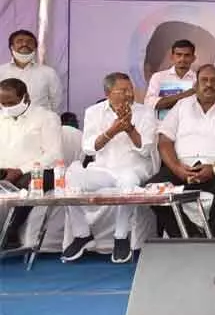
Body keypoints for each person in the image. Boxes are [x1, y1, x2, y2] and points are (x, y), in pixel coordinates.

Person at [147, 65, 215, 238]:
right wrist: (176, 168)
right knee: (152, 191)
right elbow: (165, 140)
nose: (209, 84)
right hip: (183, 167)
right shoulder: (182, 106)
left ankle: (210, 234)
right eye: (204, 80)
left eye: (214, 81)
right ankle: (189, 235)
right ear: (196, 84)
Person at [62, 73, 157, 263]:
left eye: (130, 90)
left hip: (133, 167)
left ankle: (120, 237)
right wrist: (112, 131)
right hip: (103, 169)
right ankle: (82, 234)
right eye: (123, 91)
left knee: (128, 180)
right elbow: (88, 148)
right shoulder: (93, 112)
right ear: (108, 93)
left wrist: (129, 128)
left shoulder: (145, 112)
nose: (129, 94)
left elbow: (145, 150)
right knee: (71, 176)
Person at [0, 78, 61, 250]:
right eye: (2, 103)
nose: (6, 107)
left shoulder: (46, 118)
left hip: (37, 171)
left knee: (29, 183)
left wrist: (20, 170)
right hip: (5, 170)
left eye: (11, 102)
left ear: (25, 97)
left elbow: (55, 154)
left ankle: (10, 233)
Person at [0, 30, 61, 112]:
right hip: (6, 122)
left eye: (29, 42)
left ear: (35, 48)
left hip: (40, 122)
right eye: (19, 41)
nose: (24, 44)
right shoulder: (1, 71)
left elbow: (56, 103)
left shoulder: (48, 72)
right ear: (11, 47)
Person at [144, 38, 197, 120]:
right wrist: (186, 94)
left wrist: (167, 101)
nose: (182, 59)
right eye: (179, 55)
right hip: (160, 126)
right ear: (172, 57)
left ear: (193, 58)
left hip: (187, 127)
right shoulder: (158, 77)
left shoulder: (198, 79)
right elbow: (151, 104)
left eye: (187, 55)